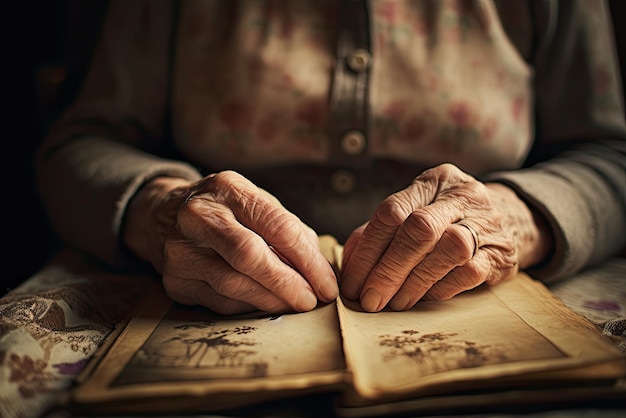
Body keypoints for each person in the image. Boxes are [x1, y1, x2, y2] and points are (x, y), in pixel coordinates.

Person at [36, 0, 626, 315]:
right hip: (196, 295)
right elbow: (78, 145)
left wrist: (512, 217)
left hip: (489, 299)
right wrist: (165, 213)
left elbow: (611, 155)